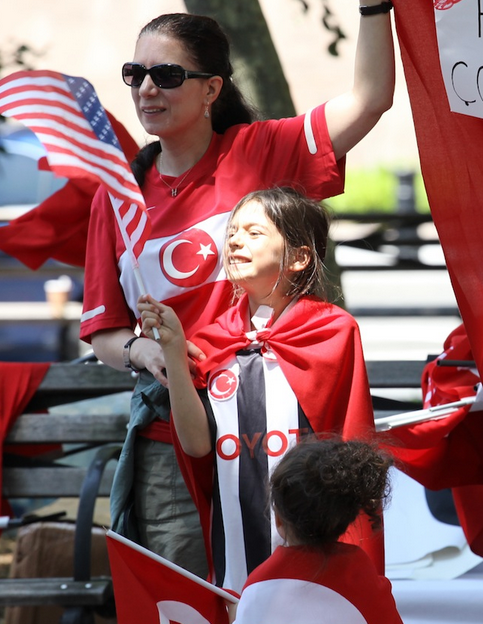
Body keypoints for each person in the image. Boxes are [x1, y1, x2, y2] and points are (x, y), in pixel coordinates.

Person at [79, 0, 394, 576]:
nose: (145, 89)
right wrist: (145, 350)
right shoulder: (118, 189)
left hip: (267, 418)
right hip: (175, 432)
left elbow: (370, 99)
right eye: (134, 72)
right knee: (192, 600)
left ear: (211, 88)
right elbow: (104, 329)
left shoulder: (258, 151)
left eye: (165, 74)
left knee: (279, 586)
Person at [138, 187, 379, 594]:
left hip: (316, 549)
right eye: (232, 232)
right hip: (233, 548)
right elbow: (197, 445)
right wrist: (175, 351)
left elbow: (350, 440)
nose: (234, 241)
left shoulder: (332, 332)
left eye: (253, 233)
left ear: (299, 257)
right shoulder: (214, 340)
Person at [217, 436, 411, 624]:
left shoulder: (259, 590)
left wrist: (235, 620)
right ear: (346, 518)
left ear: (278, 520)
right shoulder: (371, 589)